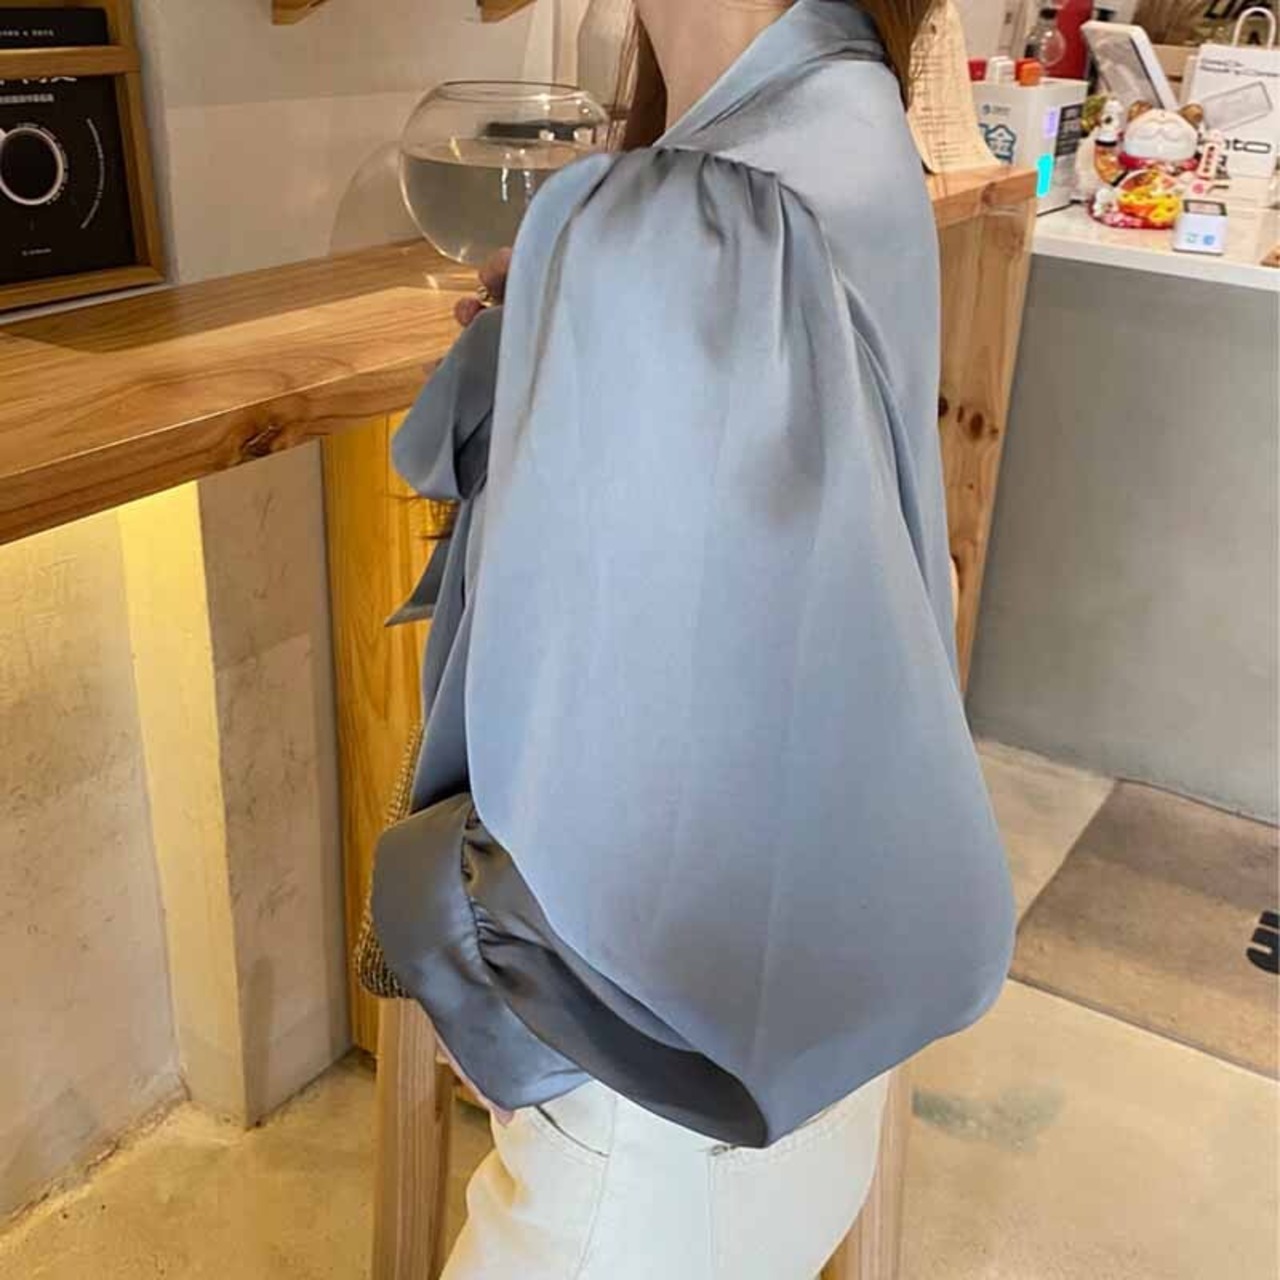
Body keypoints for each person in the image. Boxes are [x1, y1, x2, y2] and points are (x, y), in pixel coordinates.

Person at [371, 2, 1017, 1275]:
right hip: (798, 1059)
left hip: (648, 1111)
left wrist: (477, 977)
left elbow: (595, 769)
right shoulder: (844, 106)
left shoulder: (699, 212)